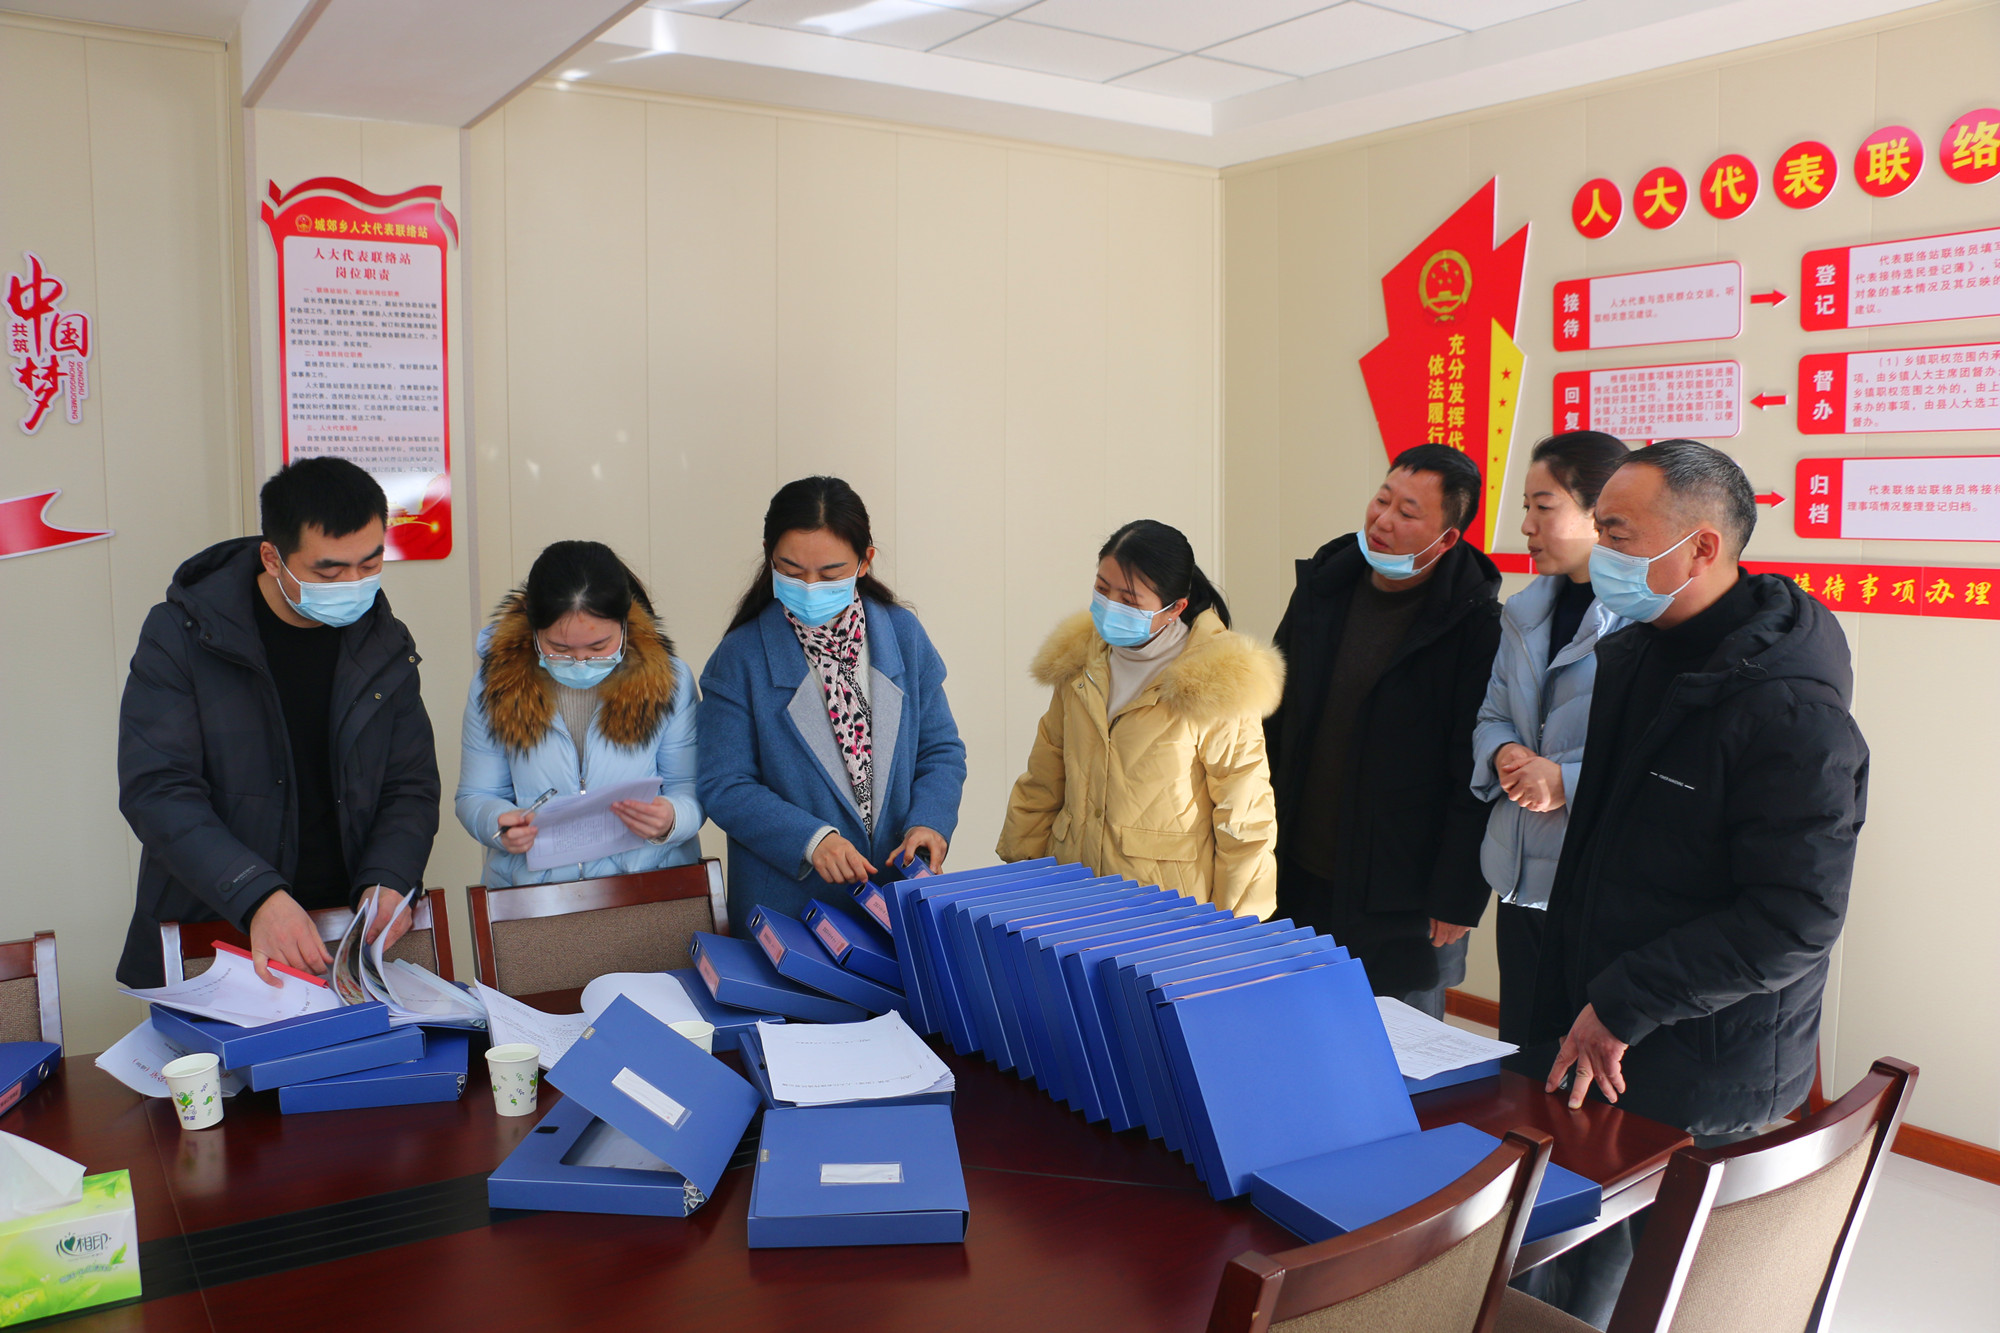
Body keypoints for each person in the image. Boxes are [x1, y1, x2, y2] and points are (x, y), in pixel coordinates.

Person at [1526, 440, 1868, 1326]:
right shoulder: (1643, 647)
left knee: (1654, 1292)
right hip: (1604, 1033)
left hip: (1697, 1061)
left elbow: (1795, 918)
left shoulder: (1791, 712)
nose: (1598, 549)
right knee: (1561, 1270)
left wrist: (1623, 1002)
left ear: (1701, 547)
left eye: (1616, 532)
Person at [116, 457, 439, 988]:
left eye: (370, 564)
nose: (354, 584)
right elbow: (158, 790)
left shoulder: (382, 640)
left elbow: (410, 784)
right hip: (219, 922)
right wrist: (256, 894)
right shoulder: (183, 635)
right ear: (273, 558)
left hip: (345, 928)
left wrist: (390, 875)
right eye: (329, 572)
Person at [1266, 443, 1501, 1018]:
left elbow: (1474, 770)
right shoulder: (1324, 586)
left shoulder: (1476, 625)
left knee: (1397, 1047)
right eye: (1382, 499)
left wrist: (1458, 893)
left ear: (1446, 538)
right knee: (1296, 1028)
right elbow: (1275, 712)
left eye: (1408, 512)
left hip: (1402, 894)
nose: (1383, 520)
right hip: (1297, 868)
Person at [699, 476, 966, 929]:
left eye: (829, 574)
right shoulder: (740, 656)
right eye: (791, 570)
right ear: (768, 555)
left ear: (865, 562)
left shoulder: (903, 635)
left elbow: (940, 750)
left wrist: (929, 822)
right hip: (788, 911)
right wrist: (812, 840)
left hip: (893, 896)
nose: (809, 587)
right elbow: (724, 784)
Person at [998, 520, 1282, 918]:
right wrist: (1021, 873)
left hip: (1164, 907)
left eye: (1129, 600)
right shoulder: (1080, 663)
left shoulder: (1218, 682)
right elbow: (1044, 778)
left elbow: (1245, 815)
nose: (1110, 605)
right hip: (1071, 892)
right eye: (1102, 589)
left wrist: (1236, 923)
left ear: (1175, 609)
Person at [1470, 431, 1631, 1044]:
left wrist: (1567, 781)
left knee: (1584, 1068)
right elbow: (1492, 714)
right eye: (1526, 508)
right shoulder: (1524, 609)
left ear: (1600, 514)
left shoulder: (1641, 621)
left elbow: (1662, 757)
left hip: (1597, 885)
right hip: (1520, 875)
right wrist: (1504, 752)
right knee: (1523, 1050)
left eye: (1544, 507)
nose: (1527, 526)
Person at [456, 541, 701, 885]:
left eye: (599, 646)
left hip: (646, 887)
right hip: (534, 893)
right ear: (533, 628)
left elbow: (690, 786)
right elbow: (475, 795)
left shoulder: (668, 681)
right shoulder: (496, 685)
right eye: (559, 648)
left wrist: (672, 818)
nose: (581, 661)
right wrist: (498, 823)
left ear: (625, 623)